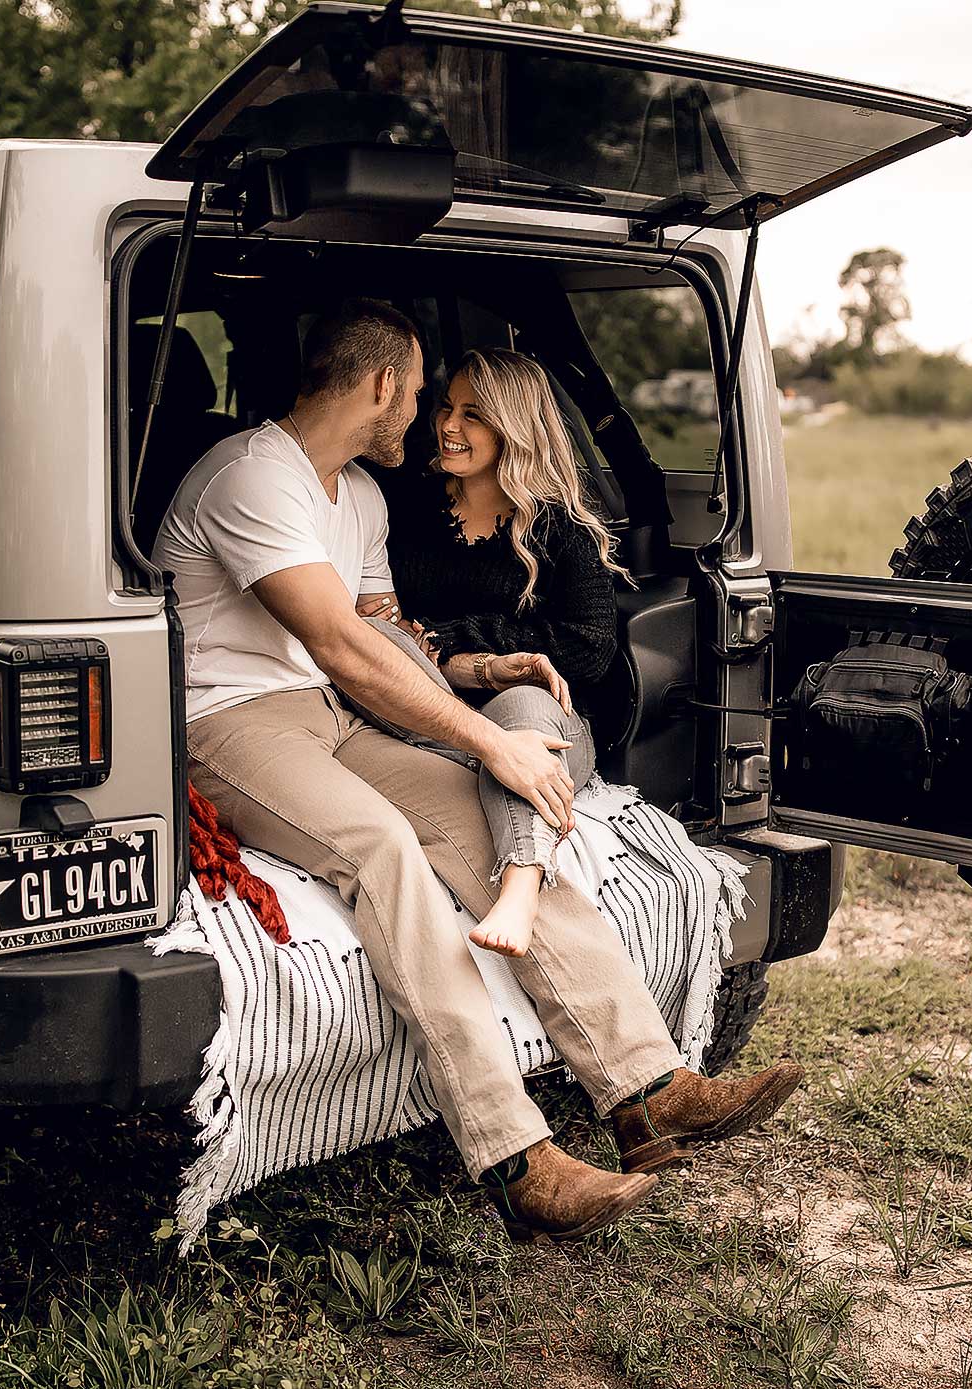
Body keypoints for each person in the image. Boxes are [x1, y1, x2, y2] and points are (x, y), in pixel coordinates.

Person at [154, 299, 804, 1243]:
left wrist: (482, 678)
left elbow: (388, 642)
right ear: (379, 385)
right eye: (415, 393)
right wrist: (486, 733)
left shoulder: (362, 498)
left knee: (484, 816)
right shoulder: (253, 477)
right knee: (381, 848)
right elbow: (337, 641)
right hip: (230, 724)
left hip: (333, 716)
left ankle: (648, 1089)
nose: (421, 414)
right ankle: (516, 1158)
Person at [348, 347, 623, 961]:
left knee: (524, 704)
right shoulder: (405, 503)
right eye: (445, 407)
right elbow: (382, 626)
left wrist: (455, 636)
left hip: (539, 724)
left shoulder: (561, 526)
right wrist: (462, 656)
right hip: (426, 714)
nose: (448, 426)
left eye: (473, 415)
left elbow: (588, 650)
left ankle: (521, 886)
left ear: (513, 425)